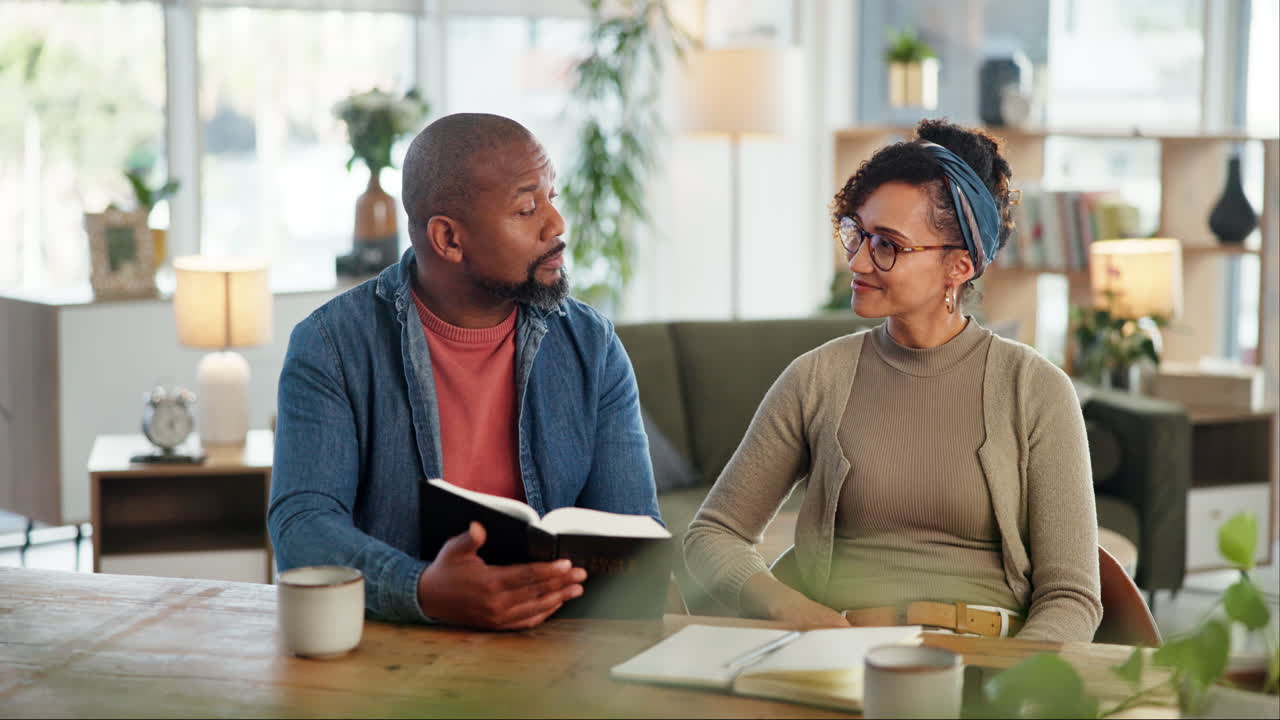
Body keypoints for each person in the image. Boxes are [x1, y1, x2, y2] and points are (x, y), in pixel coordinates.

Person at [684, 119, 1101, 642]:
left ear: (959, 267)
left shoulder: (1035, 390)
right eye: (856, 232)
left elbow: (1071, 596)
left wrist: (1016, 687)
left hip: (985, 663)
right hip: (833, 658)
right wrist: (785, 608)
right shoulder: (817, 378)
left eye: (888, 245)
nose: (858, 259)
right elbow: (713, 534)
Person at [269, 113, 660, 630]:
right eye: (527, 207)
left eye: (551, 198)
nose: (556, 225)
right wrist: (422, 589)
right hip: (396, 652)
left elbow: (632, 530)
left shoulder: (592, 345)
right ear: (449, 238)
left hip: (555, 651)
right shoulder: (331, 346)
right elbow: (303, 527)